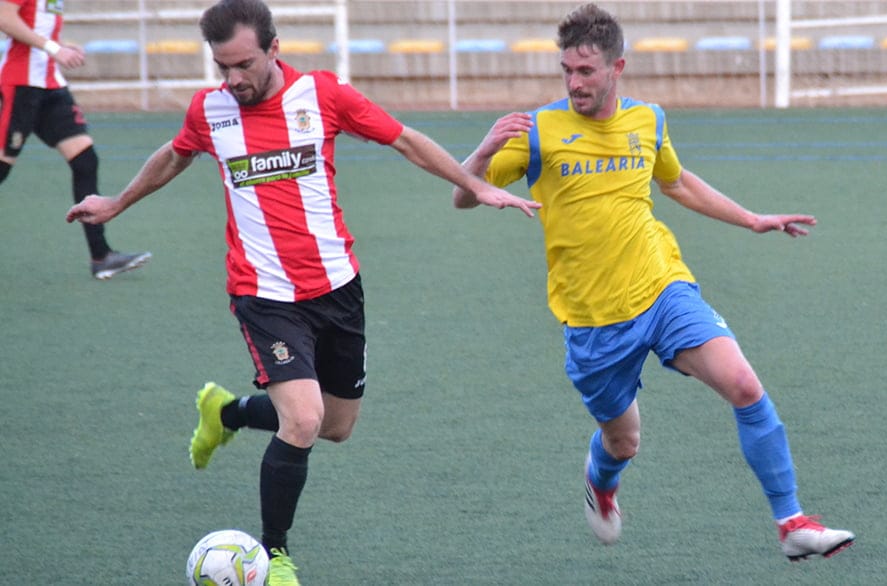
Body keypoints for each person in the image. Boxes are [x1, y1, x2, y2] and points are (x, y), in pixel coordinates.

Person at [65, 0, 539, 584]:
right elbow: (174, 155)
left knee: (335, 425)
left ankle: (226, 412)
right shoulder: (209, 110)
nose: (233, 78)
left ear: (274, 49)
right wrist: (116, 203)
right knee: (304, 420)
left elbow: (406, 140)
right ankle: (274, 555)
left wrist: (473, 184)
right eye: (222, 66)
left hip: (337, 287)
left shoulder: (323, 95)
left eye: (244, 64)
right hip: (263, 294)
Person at [453, 3, 854, 561]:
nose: (574, 82)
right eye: (567, 70)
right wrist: (483, 151)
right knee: (623, 441)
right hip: (592, 318)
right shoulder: (537, 130)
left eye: (586, 70)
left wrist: (751, 219)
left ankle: (792, 524)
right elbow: (463, 195)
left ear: (617, 68)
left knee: (743, 384)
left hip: (662, 286)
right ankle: (601, 480)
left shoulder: (648, 120)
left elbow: (677, 182)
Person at [0, 0, 150, 279]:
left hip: (50, 84)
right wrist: (54, 48)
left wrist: (61, 45)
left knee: (85, 161)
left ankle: (101, 256)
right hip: (21, 84)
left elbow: (37, 24)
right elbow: (4, 18)